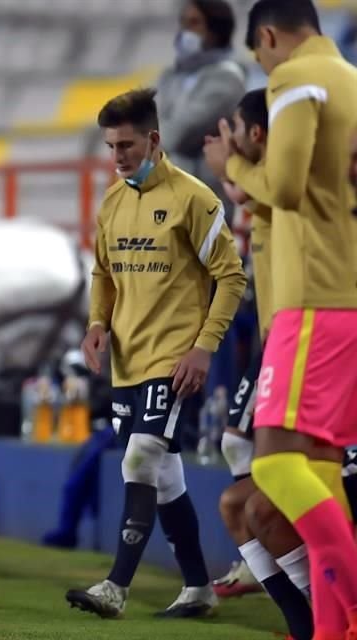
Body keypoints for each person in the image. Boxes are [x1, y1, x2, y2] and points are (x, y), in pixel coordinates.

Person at [203, 2, 357, 637]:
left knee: (272, 467)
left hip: (313, 300)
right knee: (317, 469)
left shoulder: (297, 79)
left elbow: (288, 185)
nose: (265, 68)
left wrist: (232, 169)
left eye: (261, 55)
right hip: (340, 293)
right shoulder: (350, 78)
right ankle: (330, 628)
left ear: (267, 37)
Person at [65, 88, 247, 619]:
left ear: (153, 140)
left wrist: (203, 349)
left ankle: (115, 587)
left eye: (125, 145)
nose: (117, 156)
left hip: (173, 359)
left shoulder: (195, 197)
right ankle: (197, 588)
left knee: (139, 459)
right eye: (110, 146)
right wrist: (98, 323)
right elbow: (102, 274)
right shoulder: (112, 201)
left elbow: (231, 277)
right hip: (126, 360)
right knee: (163, 475)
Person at [208, 89, 314, 640]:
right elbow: (255, 201)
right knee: (239, 501)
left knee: (264, 505)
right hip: (282, 340)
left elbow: (272, 198)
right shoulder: (268, 193)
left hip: (313, 345)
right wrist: (234, 175)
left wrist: (233, 168)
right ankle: (307, 623)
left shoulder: (299, 192)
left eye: (242, 133)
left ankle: (329, 614)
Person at [156, 0, 246, 206]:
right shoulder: (172, 75)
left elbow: (181, 131)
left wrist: (144, 142)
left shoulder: (228, 77)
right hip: (169, 192)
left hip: (205, 196)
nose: (185, 31)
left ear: (216, 31)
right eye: (183, 23)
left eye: (194, 23)